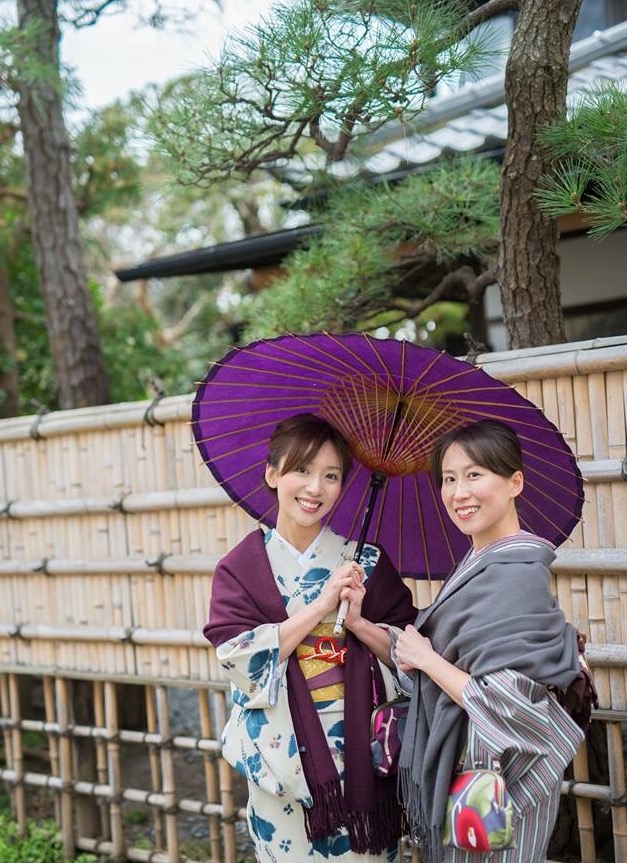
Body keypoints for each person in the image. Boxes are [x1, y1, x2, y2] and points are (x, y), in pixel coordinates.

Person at [204, 412, 417, 862]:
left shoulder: (367, 562)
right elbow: (237, 657)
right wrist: (320, 607)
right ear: (272, 474)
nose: (315, 488)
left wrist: (359, 623)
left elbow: (410, 655)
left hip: (360, 749)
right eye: (301, 469)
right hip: (278, 756)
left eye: (331, 475)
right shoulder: (241, 568)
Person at [394, 419, 585, 863]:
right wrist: (364, 623)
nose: (459, 492)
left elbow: (504, 699)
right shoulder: (477, 561)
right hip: (467, 762)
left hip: (500, 774)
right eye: (449, 479)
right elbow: (446, 652)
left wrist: (427, 660)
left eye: (474, 475)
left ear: (515, 482)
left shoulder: (514, 573)